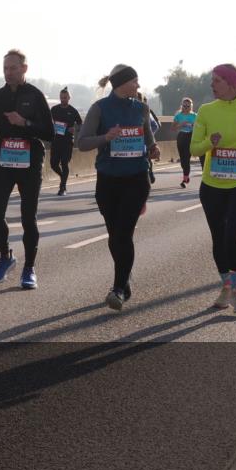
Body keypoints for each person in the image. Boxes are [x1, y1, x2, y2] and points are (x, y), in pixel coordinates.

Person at [76, 64, 160, 310]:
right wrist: (106, 138)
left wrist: (153, 151)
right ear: (123, 83)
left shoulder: (142, 108)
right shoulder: (99, 109)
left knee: (124, 233)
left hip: (136, 178)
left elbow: (150, 142)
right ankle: (125, 278)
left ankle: (118, 288)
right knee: (115, 236)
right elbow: (82, 143)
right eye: (135, 81)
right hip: (108, 180)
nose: (138, 86)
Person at [189, 64, 236, 314]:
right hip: (212, 185)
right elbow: (194, 149)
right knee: (218, 238)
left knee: (232, 235)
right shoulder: (206, 111)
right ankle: (225, 285)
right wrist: (209, 143)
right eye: (212, 80)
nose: (212, 85)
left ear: (232, 84)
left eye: (217, 81)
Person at [0, 50, 54, 290]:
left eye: (13, 68)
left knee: (28, 217)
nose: (8, 73)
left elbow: (50, 133)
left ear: (24, 68)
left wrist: (24, 123)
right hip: (4, 159)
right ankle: (5, 257)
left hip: (30, 160)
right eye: (5, 69)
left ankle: (29, 268)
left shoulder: (35, 95)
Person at [50, 87, 83, 195]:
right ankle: (63, 177)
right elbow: (47, 121)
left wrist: (75, 129)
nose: (63, 99)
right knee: (53, 164)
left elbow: (80, 124)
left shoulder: (73, 111)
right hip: (56, 140)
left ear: (69, 98)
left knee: (64, 163)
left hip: (67, 141)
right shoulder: (54, 109)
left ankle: (62, 187)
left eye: (65, 98)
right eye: (61, 98)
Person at [173, 97, 204, 188]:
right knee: (183, 160)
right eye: (184, 105)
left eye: (188, 106)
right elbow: (173, 128)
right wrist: (181, 125)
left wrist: (194, 126)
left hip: (192, 136)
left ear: (191, 106)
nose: (186, 107)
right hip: (181, 136)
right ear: (181, 106)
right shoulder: (178, 116)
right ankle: (186, 175)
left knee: (187, 157)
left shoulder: (195, 116)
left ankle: (185, 178)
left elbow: (200, 127)